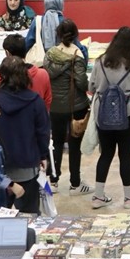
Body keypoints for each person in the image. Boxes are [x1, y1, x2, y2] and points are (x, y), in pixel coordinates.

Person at [89, 26, 130, 209]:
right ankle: (129, 198)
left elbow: (91, 87)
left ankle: (98, 196)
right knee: (125, 156)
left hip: (103, 114)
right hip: (126, 115)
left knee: (105, 154)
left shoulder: (100, 61)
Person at [0, 55, 51, 214]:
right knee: (29, 215)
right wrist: (43, 155)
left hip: (1, 168)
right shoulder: (35, 102)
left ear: (2, 75)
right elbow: (43, 132)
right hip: (27, 165)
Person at [43, 18, 90, 192]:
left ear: (58, 34)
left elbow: (47, 75)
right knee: (75, 145)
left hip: (55, 106)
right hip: (75, 106)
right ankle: (75, 183)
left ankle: (53, 181)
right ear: (76, 34)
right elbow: (82, 83)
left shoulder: (50, 54)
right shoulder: (77, 54)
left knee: (56, 142)